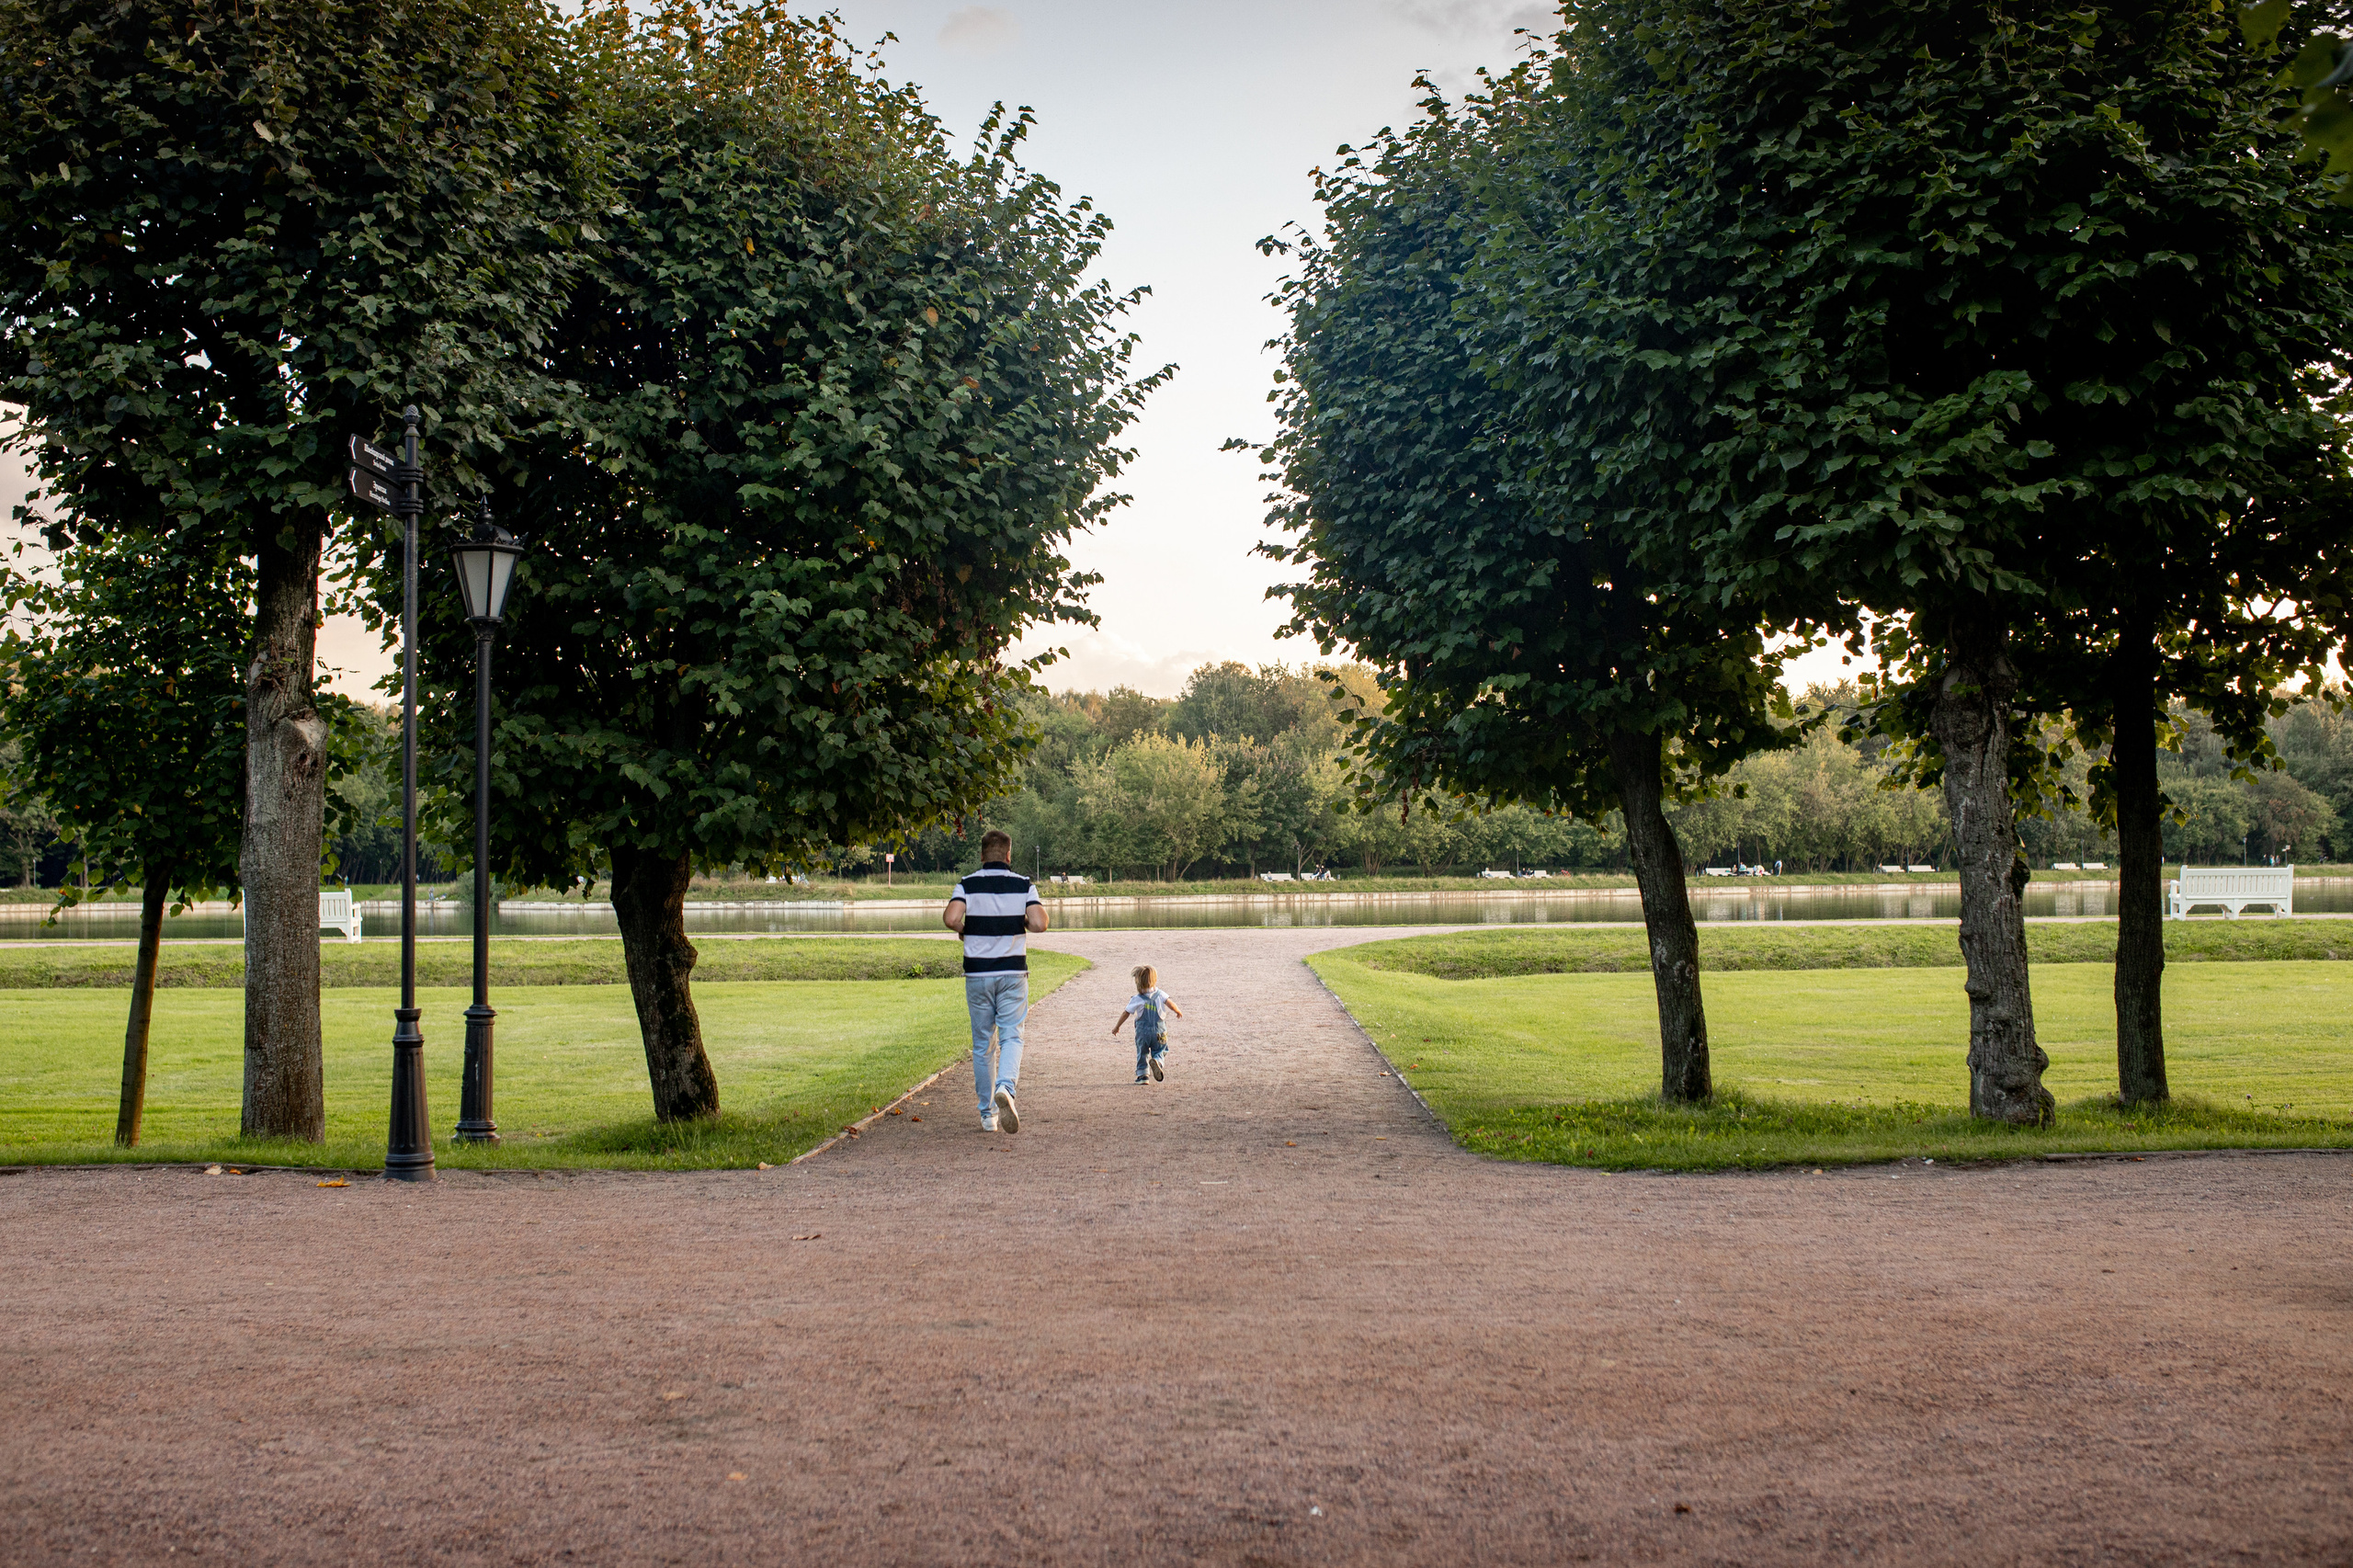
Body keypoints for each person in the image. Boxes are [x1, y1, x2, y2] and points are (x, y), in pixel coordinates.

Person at [943, 829, 1047, 1132]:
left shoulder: (968, 884)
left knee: (982, 1044)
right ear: (1008, 855)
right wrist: (1023, 920)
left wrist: (966, 929)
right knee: (1012, 1036)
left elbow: (950, 918)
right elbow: (1039, 923)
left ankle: (988, 1115)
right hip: (1013, 973)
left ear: (981, 855)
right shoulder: (1023, 885)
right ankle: (1006, 1088)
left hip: (977, 974)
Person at [1111, 964, 1184, 1084]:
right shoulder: (1160, 994)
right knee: (1161, 1049)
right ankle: (1157, 1061)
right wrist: (1177, 1010)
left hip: (1143, 1033)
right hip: (1159, 1031)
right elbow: (1170, 1003)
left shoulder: (1136, 999)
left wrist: (1117, 1026)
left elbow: (1126, 1013)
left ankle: (1143, 1075)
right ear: (1154, 980)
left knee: (1142, 1052)